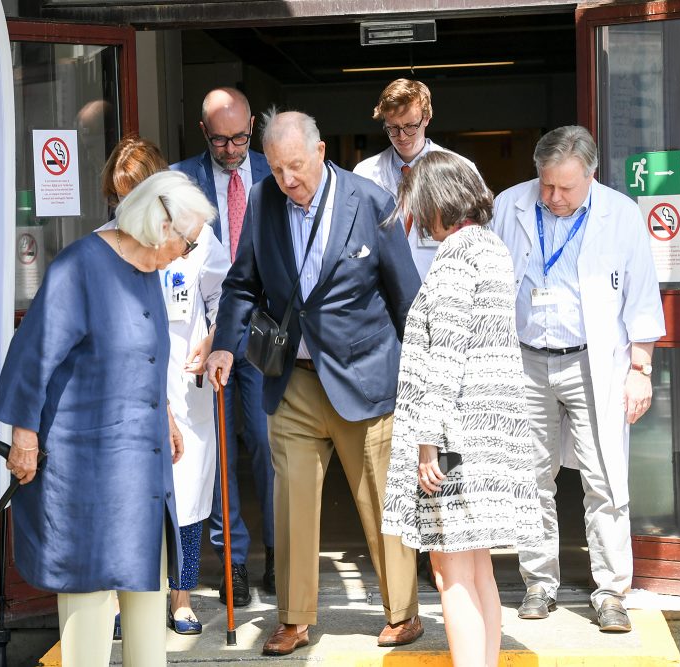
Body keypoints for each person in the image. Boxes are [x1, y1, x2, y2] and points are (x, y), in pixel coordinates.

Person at [206, 109, 424, 656]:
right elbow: (241, 283)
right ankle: (295, 618)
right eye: (277, 170)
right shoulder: (263, 201)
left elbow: (407, 298)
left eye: (296, 168)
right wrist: (226, 345)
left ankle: (403, 612)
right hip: (295, 379)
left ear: (322, 152)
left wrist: (423, 380)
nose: (287, 181)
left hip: (364, 375)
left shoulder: (371, 202)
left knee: (379, 500)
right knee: (293, 501)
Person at [0, 170, 216, 665]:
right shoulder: (81, 266)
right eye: (187, 240)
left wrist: (168, 420)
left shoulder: (147, 273)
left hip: (141, 465)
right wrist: (23, 437)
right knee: (89, 599)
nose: (187, 252)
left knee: (146, 596)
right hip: (84, 470)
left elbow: (146, 359)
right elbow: (33, 357)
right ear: (161, 228)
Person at [490, 125, 665, 633]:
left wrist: (640, 369)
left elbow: (641, 296)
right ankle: (538, 584)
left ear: (591, 174)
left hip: (595, 361)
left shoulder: (621, 214)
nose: (553, 197)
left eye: (566, 187)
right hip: (525, 360)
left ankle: (611, 591)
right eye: (546, 184)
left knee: (605, 477)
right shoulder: (510, 205)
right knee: (530, 476)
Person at [382, 151, 542, 667]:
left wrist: (428, 443)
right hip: (488, 436)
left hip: (450, 441)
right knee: (478, 572)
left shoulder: (454, 257)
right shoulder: (492, 248)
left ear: (436, 202)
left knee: (450, 573)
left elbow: (445, 355)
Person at [100, 135, 231, 636]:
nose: (126, 205)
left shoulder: (194, 237)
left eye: (136, 192)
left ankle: (181, 596)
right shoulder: (106, 242)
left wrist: (216, 338)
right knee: (126, 495)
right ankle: (120, 600)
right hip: (129, 388)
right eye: (120, 195)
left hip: (186, 383)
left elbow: (226, 295)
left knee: (190, 495)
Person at [171, 87, 275, 606]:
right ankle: (233, 563)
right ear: (202, 130)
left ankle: (279, 554)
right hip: (201, 338)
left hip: (262, 331)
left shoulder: (274, 170)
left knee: (268, 445)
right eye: (220, 140)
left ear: (252, 125)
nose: (231, 149)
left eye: (239, 138)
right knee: (216, 453)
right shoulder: (178, 180)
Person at [354, 78, 478, 280]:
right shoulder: (365, 173)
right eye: (392, 128)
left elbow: (478, 239)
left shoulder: (461, 169)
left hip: (445, 284)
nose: (402, 136)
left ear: (427, 117)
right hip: (386, 288)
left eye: (410, 126)